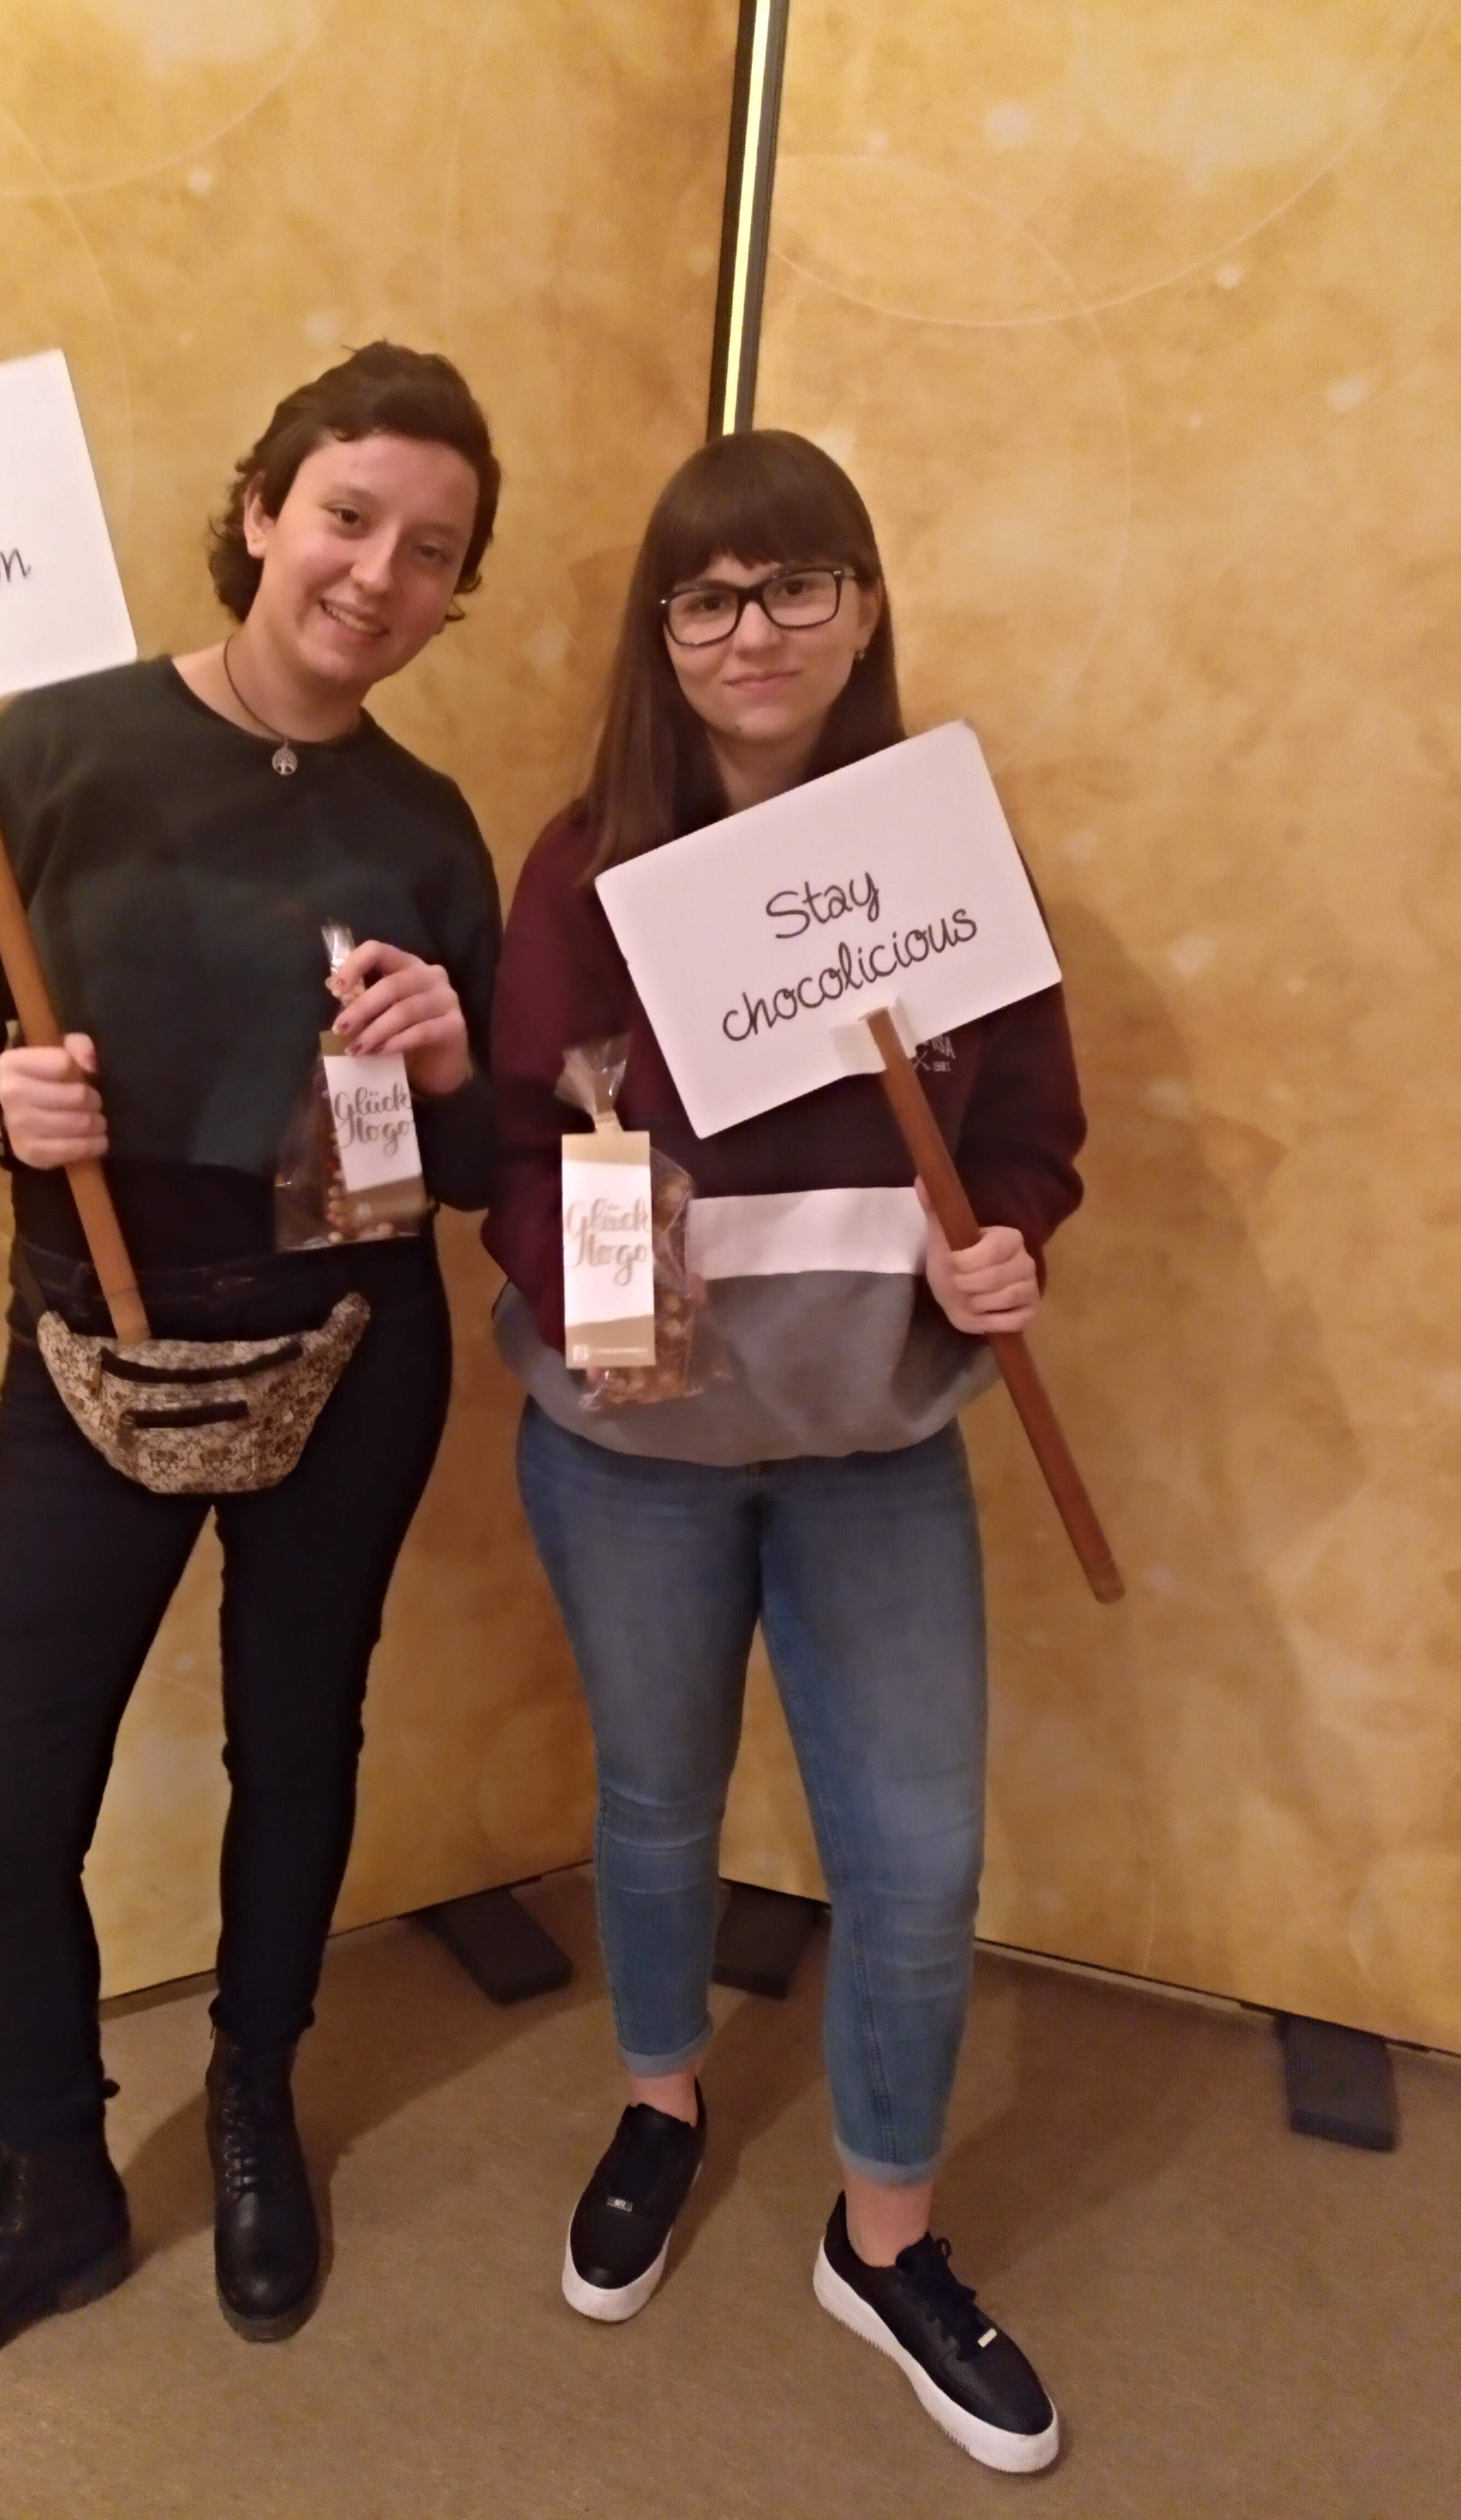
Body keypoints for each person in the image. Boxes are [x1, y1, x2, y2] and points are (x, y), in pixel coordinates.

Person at [0, 343, 504, 2410]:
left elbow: (485, 1166)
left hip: (356, 1341)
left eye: (432, 551)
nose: (377, 574)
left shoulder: (428, 827)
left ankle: (253, 2097)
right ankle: (50, 2182)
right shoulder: (54, 745)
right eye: (348, 516)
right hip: (93, 1341)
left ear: (456, 593)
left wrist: (454, 1065)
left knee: (297, 1749)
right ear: (261, 510)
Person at [486, 430, 1084, 2475]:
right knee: (656, 1805)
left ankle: (882, 2236)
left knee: (916, 1857)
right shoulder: (583, 868)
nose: (754, 632)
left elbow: (1034, 1134)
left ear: (865, 603)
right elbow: (518, 1145)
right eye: (709, 597)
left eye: (797, 584)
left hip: (877, 1437)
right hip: (632, 1447)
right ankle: (660, 2103)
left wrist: (1007, 1242)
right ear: (661, 632)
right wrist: (587, 1287)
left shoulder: (943, 852)